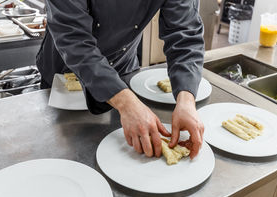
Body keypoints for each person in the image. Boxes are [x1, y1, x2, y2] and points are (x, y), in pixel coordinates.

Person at [37, 0, 205, 159]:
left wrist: (186, 100)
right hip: (66, 73)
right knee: (67, 155)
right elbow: (74, 39)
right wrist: (126, 103)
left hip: (122, 69)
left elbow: (185, 34)